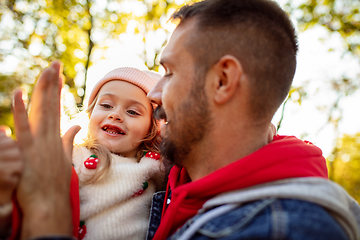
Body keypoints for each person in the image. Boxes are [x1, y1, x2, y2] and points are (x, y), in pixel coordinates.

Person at [6, 0, 360, 240]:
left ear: (222, 81)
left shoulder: (281, 226)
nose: (155, 94)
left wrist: (47, 214)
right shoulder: (181, 194)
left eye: (169, 72)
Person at [1, 67, 166, 240]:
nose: (115, 115)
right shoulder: (73, 155)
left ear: (153, 127)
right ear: (90, 112)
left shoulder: (157, 167)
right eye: (106, 105)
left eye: (132, 111)